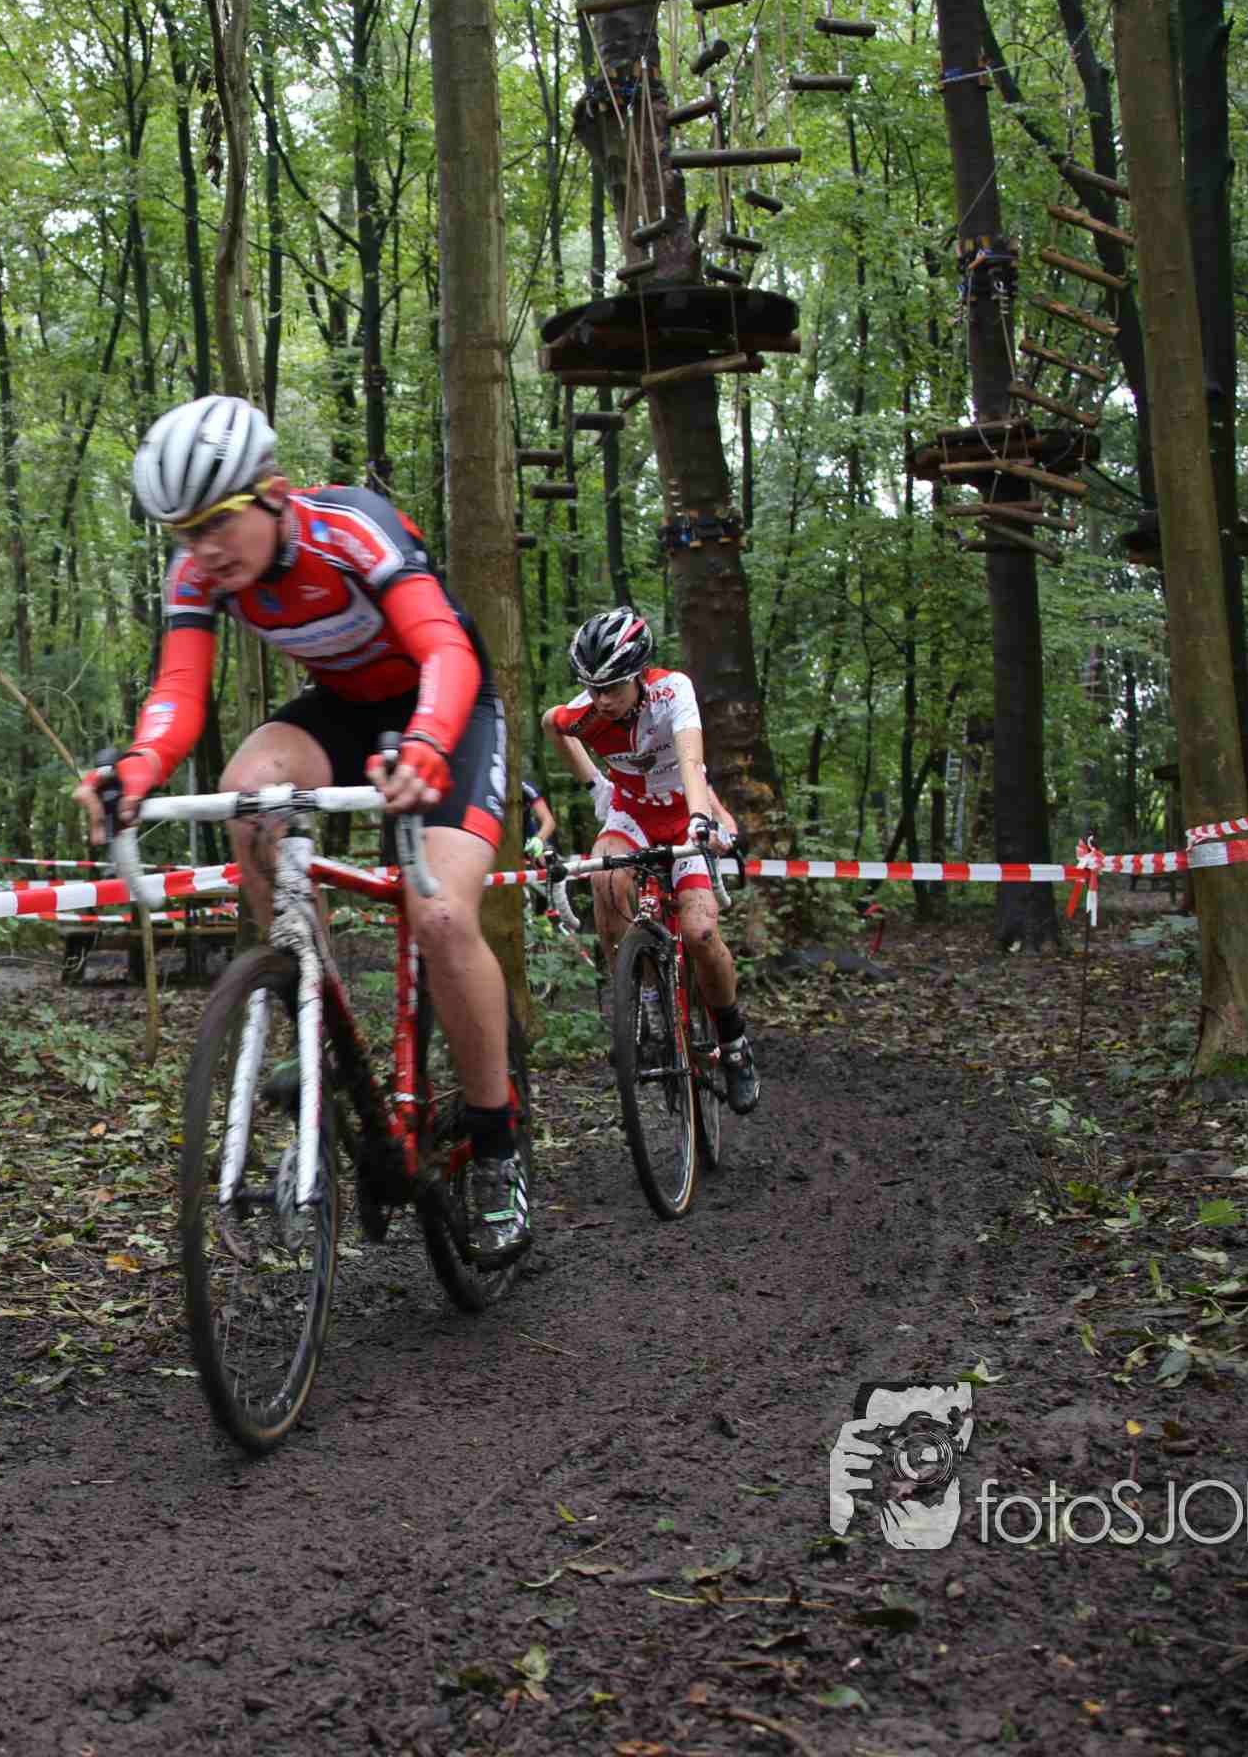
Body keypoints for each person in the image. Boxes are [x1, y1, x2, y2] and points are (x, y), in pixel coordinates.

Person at [75, 395, 529, 1261]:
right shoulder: (198, 574)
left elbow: (444, 647)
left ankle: (495, 1143)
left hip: (448, 706)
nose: (204, 549)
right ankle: (319, 1024)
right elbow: (179, 690)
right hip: (343, 710)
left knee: (439, 916)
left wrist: (430, 742)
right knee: (248, 795)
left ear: (274, 492)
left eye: (218, 521)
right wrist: (137, 767)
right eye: (184, 531)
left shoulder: (349, 529)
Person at [544, 607, 760, 1114]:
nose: (602, 699)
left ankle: (734, 1044)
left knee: (701, 934)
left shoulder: (672, 692)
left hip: (684, 813)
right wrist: (595, 786)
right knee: (604, 878)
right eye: (592, 687)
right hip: (631, 816)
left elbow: (691, 761)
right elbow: (552, 725)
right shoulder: (586, 712)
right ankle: (642, 1007)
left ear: (639, 673)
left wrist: (702, 821)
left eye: (613, 687)